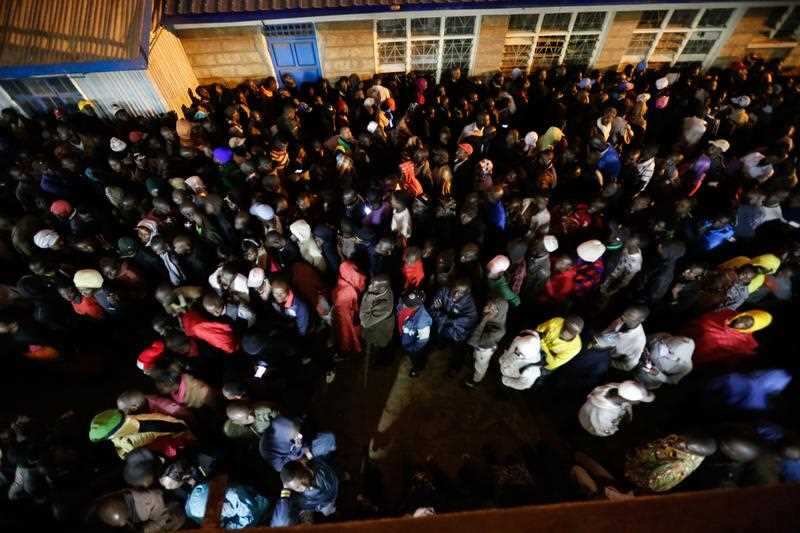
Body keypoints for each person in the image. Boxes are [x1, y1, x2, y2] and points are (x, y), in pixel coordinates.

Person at [624, 435, 717, 492]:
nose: (678, 442)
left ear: (689, 452)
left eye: (683, 446)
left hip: (632, 473)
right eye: (682, 439)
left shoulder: (677, 468)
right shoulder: (689, 441)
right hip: (637, 456)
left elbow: (652, 483)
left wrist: (630, 473)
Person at [682, 309, 772, 366]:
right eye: (744, 318)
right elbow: (702, 319)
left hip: (690, 360)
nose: (740, 323)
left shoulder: (743, 344)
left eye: (747, 324)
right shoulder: (726, 314)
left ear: (753, 328)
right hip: (681, 339)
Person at [272, 458, 340, 526]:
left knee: (327, 511)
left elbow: (324, 499)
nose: (301, 488)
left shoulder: (320, 484)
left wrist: (286, 495)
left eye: (297, 487)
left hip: (325, 501)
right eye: (296, 488)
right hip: (312, 503)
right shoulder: (308, 468)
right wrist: (286, 490)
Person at [259, 416, 336, 472]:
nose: (299, 437)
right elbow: (289, 467)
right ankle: (326, 458)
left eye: (299, 434)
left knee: (329, 438)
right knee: (319, 462)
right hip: (298, 462)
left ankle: (325, 456)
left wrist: (307, 451)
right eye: (296, 436)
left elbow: (304, 440)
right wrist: (300, 455)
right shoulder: (271, 454)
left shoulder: (285, 422)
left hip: (306, 450)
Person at [578, 381, 654, 437]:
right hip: (594, 425)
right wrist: (617, 428)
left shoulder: (619, 388)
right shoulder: (603, 416)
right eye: (640, 400)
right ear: (629, 400)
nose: (640, 402)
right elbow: (603, 432)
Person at [465, 298, 509, 387]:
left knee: (481, 366)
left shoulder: (499, 330)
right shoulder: (492, 317)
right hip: (479, 346)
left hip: (484, 350)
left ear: (499, 312)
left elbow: (473, 341)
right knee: (476, 359)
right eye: (488, 304)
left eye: (490, 308)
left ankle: (476, 380)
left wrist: (484, 320)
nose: (485, 308)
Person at [95, 489, 185, 532]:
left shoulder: (153, 503)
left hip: (176, 507)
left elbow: (166, 521)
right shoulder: (126, 494)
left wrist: (144, 530)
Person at [593, 305, 649, 372]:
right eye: (625, 313)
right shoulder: (623, 318)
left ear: (641, 319)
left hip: (603, 355)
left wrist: (608, 362)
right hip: (595, 341)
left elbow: (629, 366)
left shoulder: (638, 341)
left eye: (630, 315)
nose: (623, 316)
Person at [332, 260, 367, 356]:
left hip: (351, 315)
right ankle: (351, 349)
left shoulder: (343, 280)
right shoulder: (344, 293)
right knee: (349, 333)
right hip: (349, 319)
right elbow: (345, 322)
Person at [359, 274, 395, 365]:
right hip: (375, 328)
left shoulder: (385, 305)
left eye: (373, 286)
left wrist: (367, 301)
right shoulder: (382, 291)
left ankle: (380, 362)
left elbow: (365, 322)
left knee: (379, 349)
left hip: (378, 332)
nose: (369, 286)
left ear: (382, 289)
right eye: (371, 283)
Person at [397, 289, 433, 377]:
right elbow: (400, 308)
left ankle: (417, 368)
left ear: (417, 306)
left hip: (413, 345)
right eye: (406, 302)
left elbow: (422, 340)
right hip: (405, 335)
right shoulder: (406, 305)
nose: (405, 305)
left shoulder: (422, 321)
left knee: (416, 357)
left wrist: (413, 349)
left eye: (408, 304)